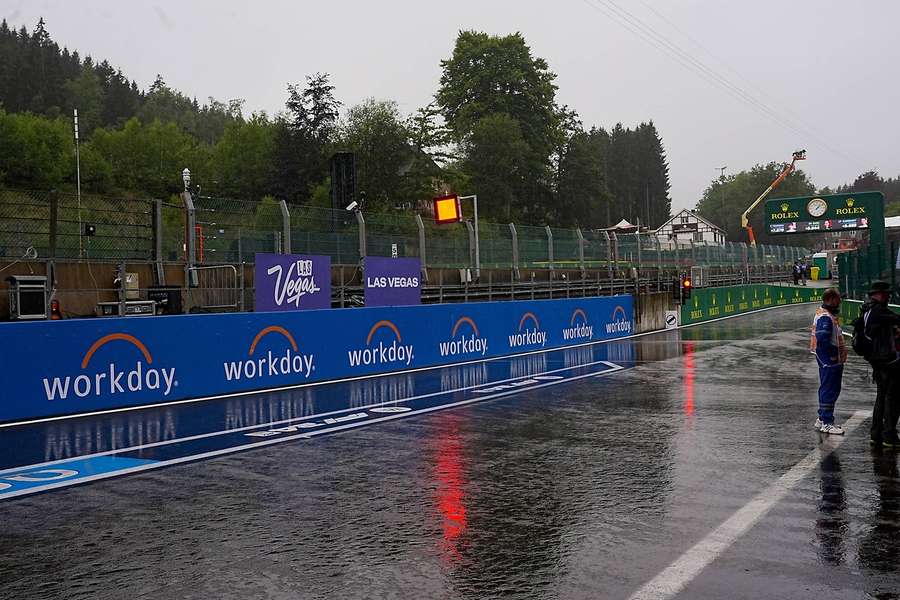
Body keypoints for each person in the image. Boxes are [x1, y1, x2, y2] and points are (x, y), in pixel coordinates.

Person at [861, 281, 900, 447]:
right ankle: (889, 435)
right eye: (884, 293)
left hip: (878, 360)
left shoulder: (868, 310)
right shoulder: (878, 311)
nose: (887, 296)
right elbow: (896, 318)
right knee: (893, 398)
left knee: (882, 398)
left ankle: (876, 434)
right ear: (875, 295)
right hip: (886, 361)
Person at [810, 288, 848, 434]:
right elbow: (823, 339)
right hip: (829, 360)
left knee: (828, 388)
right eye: (838, 298)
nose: (840, 301)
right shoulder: (825, 317)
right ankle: (827, 422)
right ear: (831, 299)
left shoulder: (826, 314)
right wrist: (832, 356)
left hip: (829, 359)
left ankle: (822, 418)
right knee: (829, 389)